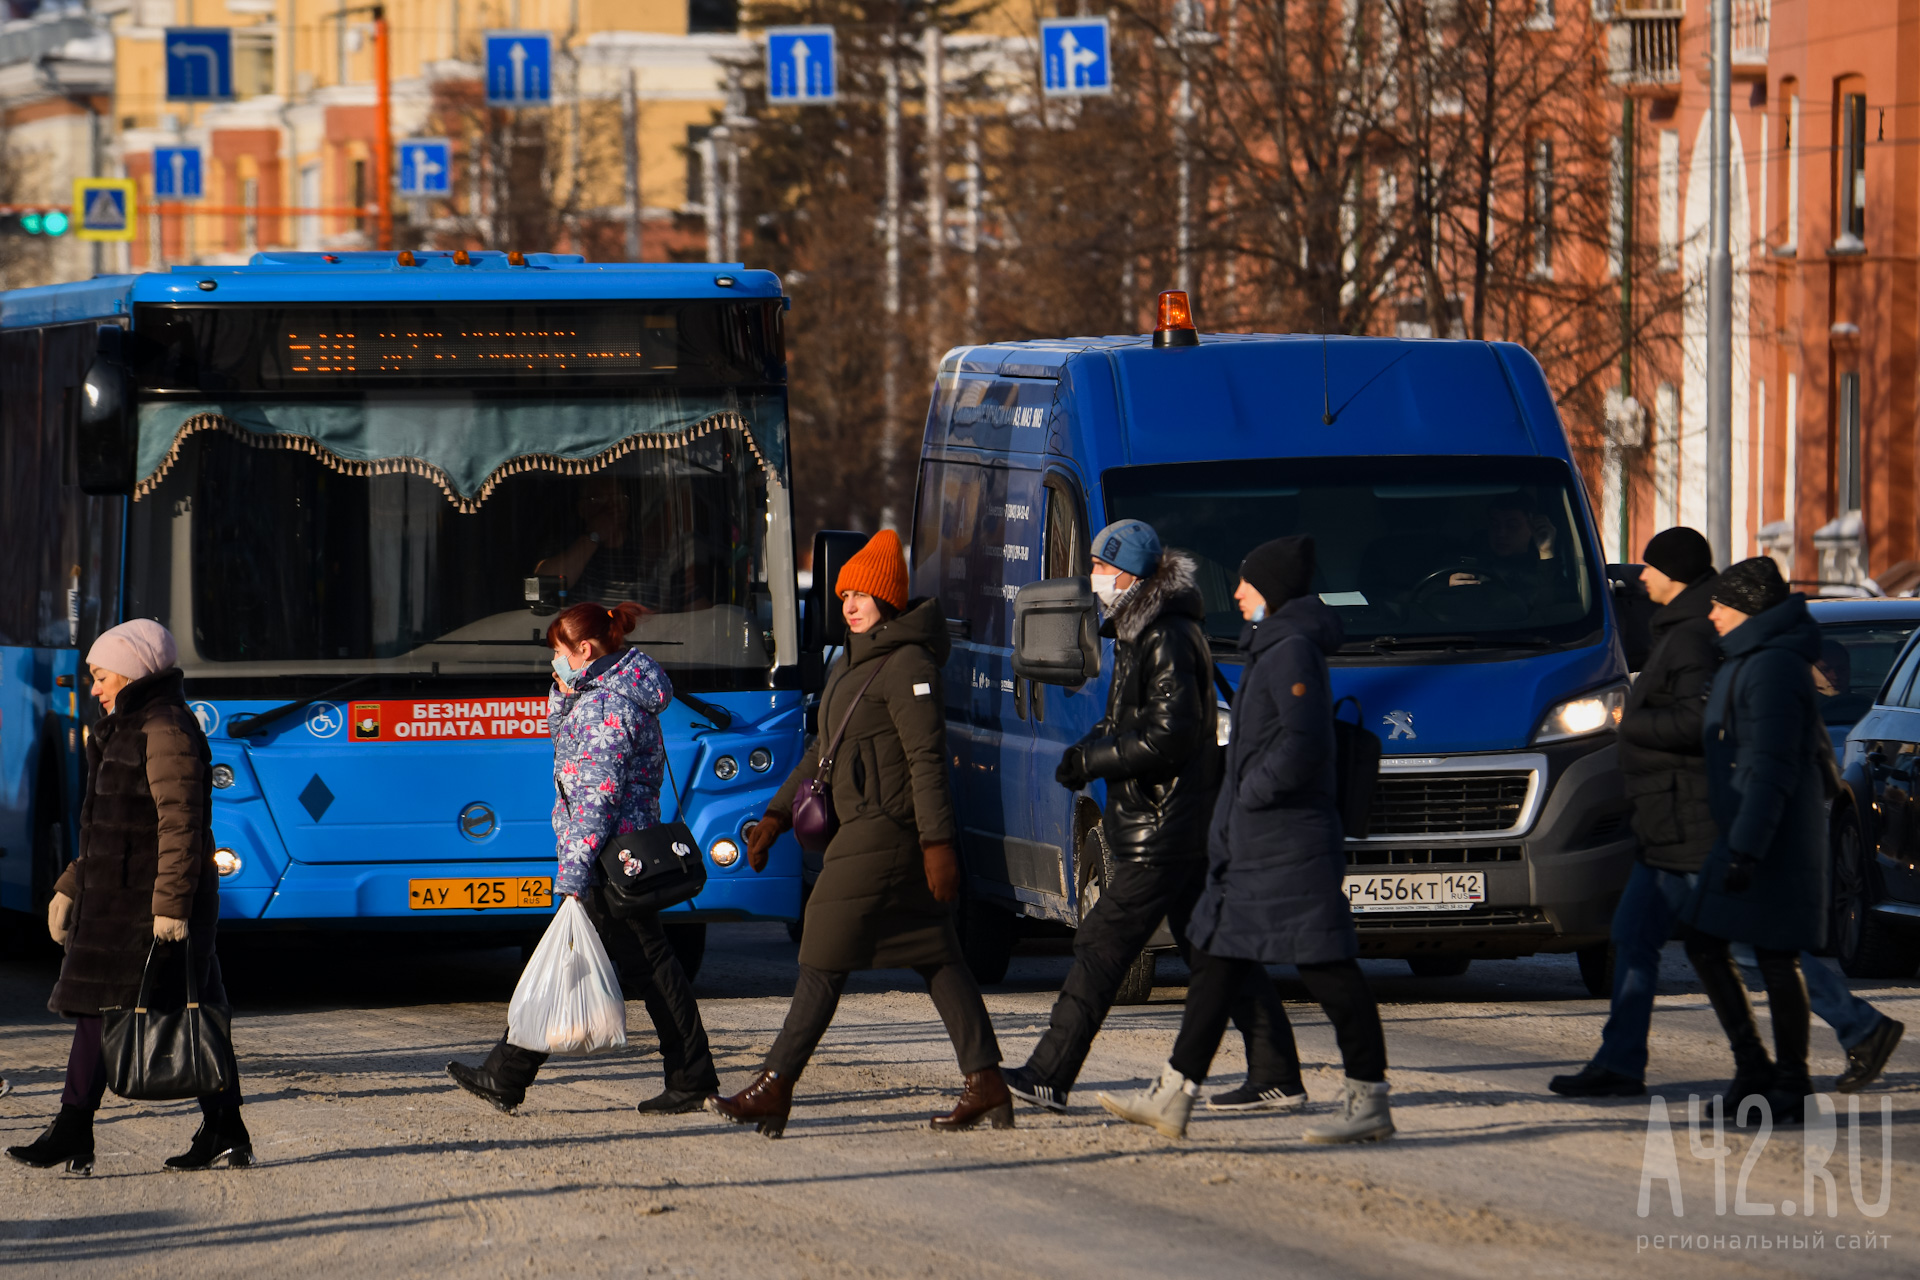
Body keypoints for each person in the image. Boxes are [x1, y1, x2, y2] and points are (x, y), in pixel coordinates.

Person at [1551, 530, 1902, 1098]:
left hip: (1693, 818)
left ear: (1676, 576)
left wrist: (1630, 726)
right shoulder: (1691, 629)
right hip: (1666, 818)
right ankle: (1622, 1061)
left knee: (1746, 946)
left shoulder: (1697, 637)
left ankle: (1838, 1038)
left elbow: (1707, 729)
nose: (1640, 577)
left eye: (1650, 567)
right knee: (1639, 936)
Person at [1003, 519, 1303, 1116]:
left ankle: (1049, 1073)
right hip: (1169, 820)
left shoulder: (1163, 634)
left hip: (1160, 826)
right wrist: (1087, 750)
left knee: (1102, 944)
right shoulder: (1143, 630)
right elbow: (1131, 722)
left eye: (1099, 569)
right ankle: (1277, 1072)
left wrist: (1095, 757)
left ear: (1130, 576)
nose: (1092, 580)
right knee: (1214, 948)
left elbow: (1171, 734)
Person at [1098, 537, 1394, 1144]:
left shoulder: (1291, 651)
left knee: (1328, 968)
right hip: (1256, 843)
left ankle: (1369, 1098)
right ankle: (1174, 1093)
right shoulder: (1276, 645)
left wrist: (1251, 789)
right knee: (1215, 963)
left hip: (1289, 844)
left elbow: (1305, 745)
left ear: (1273, 593)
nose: (1234, 594)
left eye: (1246, 585)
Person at [715, 529, 1008, 1137]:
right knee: (938, 956)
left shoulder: (909, 665)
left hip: (889, 833)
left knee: (822, 946)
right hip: (864, 826)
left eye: (863, 594)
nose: (849, 603)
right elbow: (823, 750)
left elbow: (927, 759)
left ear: (889, 601)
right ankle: (988, 1084)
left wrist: (937, 845)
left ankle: (776, 1084)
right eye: (844, 593)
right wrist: (775, 816)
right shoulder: (852, 658)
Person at [447, 601, 719, 1115]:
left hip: (607, 860)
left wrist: (572, 872)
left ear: (585, 650)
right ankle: (509, 1073)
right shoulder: (605, 695)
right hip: (618, 855)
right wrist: (564, 692)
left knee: (638, 967)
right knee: (593, 961)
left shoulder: (605, 708)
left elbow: (595, 799)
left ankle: (690, 1078)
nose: (554, 664)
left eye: (558, 653)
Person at [5, 620, 249, 1175]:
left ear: (134, 671)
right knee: (177, 1011)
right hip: (119, 900)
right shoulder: (123, 726)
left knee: (171, 1012)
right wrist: (71, 882)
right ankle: (218, 1128)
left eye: (101, 675)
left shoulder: (164, 729)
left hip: (148, 907)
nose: (93, 688)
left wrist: (169, 908)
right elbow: (109, 827)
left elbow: (180, 825)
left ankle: (77, 1128)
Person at [1684, 557, 1827, 1123]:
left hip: (1770, 839)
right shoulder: (1750, 660)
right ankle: (1760, 1070)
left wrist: (1746, 848)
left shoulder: (1771, 668)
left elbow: (1770, 766)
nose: (1712, 613)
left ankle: (1786, 1078)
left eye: (1721, 604)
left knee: (1767, 952)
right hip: (1750, 830)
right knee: (1716, 943)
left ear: (1746, 611)